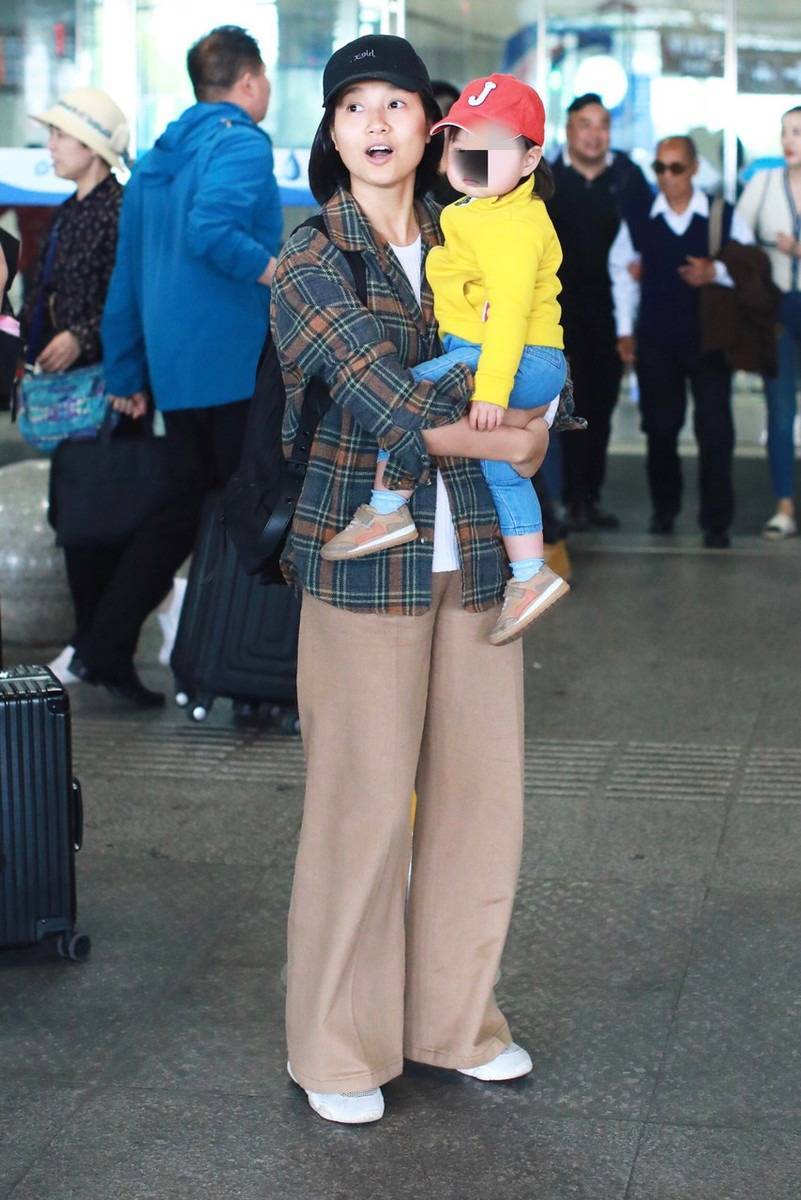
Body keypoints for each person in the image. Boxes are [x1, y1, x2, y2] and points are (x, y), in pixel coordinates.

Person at [270, 34, 549, 1125]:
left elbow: (539, 354)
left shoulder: (473, 225)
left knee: (481, 803)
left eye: (397, 103)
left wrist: (541, 418)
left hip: (476, 558)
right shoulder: (310, 258)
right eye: (356, 107)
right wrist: (514, 435)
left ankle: (453, 1023)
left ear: (433, 127)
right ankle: (336, 1047)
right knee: (364, 810)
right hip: (365, 566)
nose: (378, 124)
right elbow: (385, 401)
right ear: (332, 132)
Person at [65, 25, 282, 706]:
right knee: (254, 509)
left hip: (177, 372)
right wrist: (280, 272)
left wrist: (128, 373)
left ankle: (106, 645)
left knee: (184, 508)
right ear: (248, 81)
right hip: (234, 363)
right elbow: (213, 230)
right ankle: (250, 673)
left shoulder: (157, 161)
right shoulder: (242, 144)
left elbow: (127, 278)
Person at [321, 73, 570, 644]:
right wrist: (517, 438)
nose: (471, 155)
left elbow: (512, 317)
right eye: (461, 140)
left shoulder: (510, 224)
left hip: (516, 360)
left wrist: (495, 395)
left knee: (407, 392)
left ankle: (388, 504)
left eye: (491, 145)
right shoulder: (469, 214)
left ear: (530, 160)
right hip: (516, 361)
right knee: (503, 469)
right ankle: (530, 573)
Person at [18, 89, 129, 682]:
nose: (52, 145)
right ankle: (94, 646)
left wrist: (81, 336)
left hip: (109, 393)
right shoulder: (67, 213)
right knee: (74, 519)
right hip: (69, 394)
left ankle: (97, 648)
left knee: (96, 521)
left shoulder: (120, 210)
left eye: (61, 135)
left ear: (92, 147)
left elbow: (129, 297)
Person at [609, 135, 755, 548]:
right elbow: (620, 271)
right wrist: (625, 330)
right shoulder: (641, 216)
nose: (667, 176)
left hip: (710, 341)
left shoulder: (720, 216)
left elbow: (751, 267)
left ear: (693, 169)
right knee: (660, 429)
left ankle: (717, 521)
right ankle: (664, 510)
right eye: (660, 168)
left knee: (715, 431)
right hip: (657, 340)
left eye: (675, 167)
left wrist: (716, 271)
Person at [549, 92, 652, 530]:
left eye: (602, 125)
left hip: (611, 315)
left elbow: (649, 236)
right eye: (585, 124)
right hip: (557, 315)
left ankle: (590, 496)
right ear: (569, 130)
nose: (594, 134)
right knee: (564, 409)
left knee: (602, 407)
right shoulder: (547, 179)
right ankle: (567, 498)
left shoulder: (628, 178)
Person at [736, 105, 801, 539]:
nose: (789, 140)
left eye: (797, 132)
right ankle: (784, 505)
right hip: (778, 311)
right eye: (785, 131)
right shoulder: (763, 182)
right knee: (780, 411)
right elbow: (737, 240)